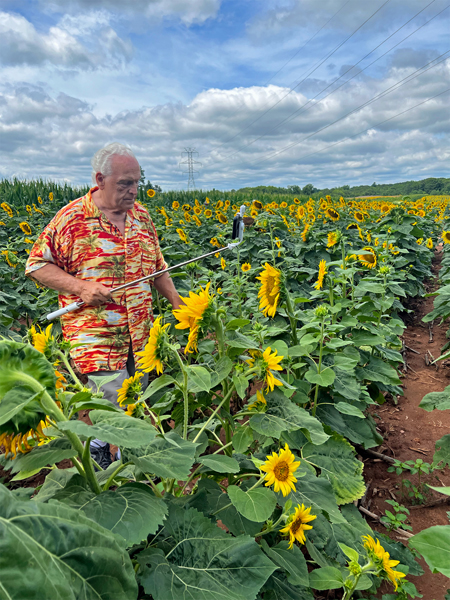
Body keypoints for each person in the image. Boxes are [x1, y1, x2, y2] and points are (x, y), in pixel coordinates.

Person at [25, 142, 182, 467]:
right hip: (96, 338)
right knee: (105, 405)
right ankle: (100, 462)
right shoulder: (71, 218)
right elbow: (37, 264)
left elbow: (158, 267)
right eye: (125, 183)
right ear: (100, 179)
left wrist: (179, 305)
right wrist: (80, 287)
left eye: (137, 182)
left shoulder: (141, 216)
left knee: (136, 400)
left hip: (140, 335)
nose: (134, 190)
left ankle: (130, 468)